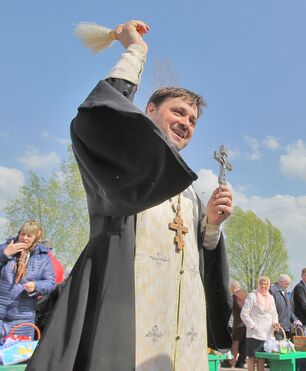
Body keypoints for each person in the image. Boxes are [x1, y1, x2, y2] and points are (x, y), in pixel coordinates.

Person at [28, 20, 233, 371]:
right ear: (149, 111)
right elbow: (99, 118)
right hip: (127, 322)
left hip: (183, 334)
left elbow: (202, 258)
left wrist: (211, 226)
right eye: (178, 111)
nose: (187, 122)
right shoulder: (129, 170)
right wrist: (135, 53)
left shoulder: (190, 192)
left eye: (194, 119)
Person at [0, 221, 55, 338]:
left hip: (23, 318)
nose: (24, 238)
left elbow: (50, 283)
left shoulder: (43, 258)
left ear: (37, 238)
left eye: (29, 236)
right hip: (1, 312)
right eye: (22, 234)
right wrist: (4, 254)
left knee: (16, 355)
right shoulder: (5, 248)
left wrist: (36, 286)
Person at [240, 276, 279, 371]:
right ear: (258, 284)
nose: (263, 285)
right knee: (252, 357)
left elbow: (274, 313)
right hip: (254, 333)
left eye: (265, 284)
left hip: (267, 334)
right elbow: (244, 313)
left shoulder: (271, 298)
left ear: (268, 285)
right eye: (261, 283)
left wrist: (275, 323)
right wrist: (252, 326)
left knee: (262, 358)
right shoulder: (252, 296)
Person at [269, 274, 301, 339]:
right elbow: (270, 310)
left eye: (288, 284)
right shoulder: (272, 291)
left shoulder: (284, 291)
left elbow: (289, 309)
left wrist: (295, 320)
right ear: (280, 282)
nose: (288, 286)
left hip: (286, 328)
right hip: (277, 328)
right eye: (286, 284)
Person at [227, 280, 248, 369]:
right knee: (244, 343)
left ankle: (231, 362)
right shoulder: (246, 294)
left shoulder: (235, 295)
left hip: (239, 322)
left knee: (235, 343)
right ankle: (241, 362)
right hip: (247, 323)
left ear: (232, 287)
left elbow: (240, 308)